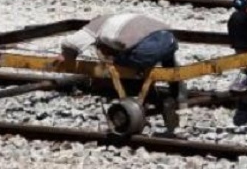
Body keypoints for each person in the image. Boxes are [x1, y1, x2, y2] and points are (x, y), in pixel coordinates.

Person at [57, 12, 186, 109]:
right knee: (166, 59)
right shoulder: (120, 17)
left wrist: (65, 55)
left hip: (147, 52)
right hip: (170, 39)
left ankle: (132, 88)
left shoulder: (95, 26)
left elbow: (71, 43)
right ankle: (177, 95)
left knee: (117, 64)